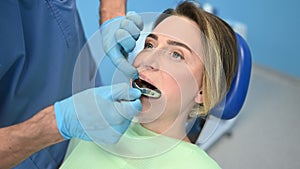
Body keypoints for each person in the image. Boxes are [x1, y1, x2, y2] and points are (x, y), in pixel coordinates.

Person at [59, 1, 238, 168]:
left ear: (202, 91)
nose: (148, 61)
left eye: (176, 54)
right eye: (149, 45)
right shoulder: (94, 125)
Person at [0, 0, 143, 168]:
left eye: (177, 54)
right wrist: (55, 123)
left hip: (84, 92)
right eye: (149, 45)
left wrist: (112, 15)